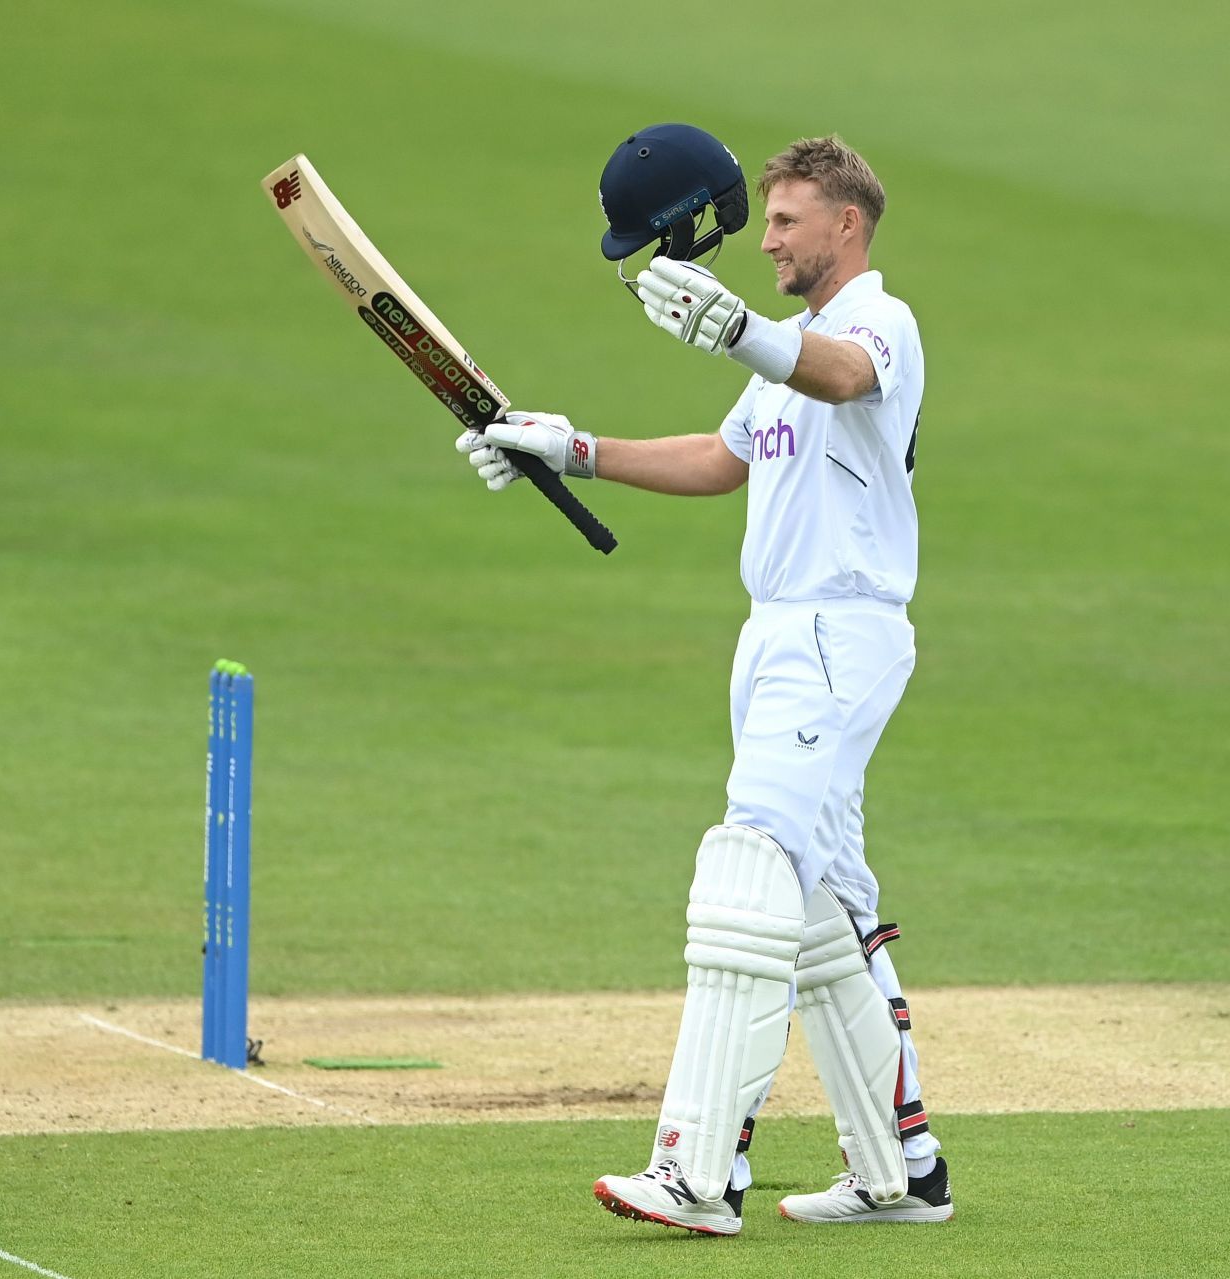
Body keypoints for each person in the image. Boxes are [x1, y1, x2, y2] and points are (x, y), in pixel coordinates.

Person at [459, 131, 949, 1235]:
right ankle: (900, 1171)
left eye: (787, 221)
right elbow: (724, 460)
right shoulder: (797, 342)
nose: (766, 237)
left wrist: (737, 331)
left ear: (846, 226)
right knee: (822, 905)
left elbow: (841, 376)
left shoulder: (875, 321)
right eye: (765, 218)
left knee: (749, 865)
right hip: (779, 634)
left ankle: (698, 1172)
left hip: (835, 629)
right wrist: (571, 447)